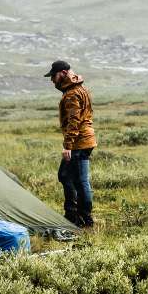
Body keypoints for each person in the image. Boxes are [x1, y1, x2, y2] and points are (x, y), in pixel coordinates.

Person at [45, 60, 97, 227]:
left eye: (53, 75)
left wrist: (68, 146)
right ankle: (74, 215)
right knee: (69, 176)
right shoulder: (78, 89)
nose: (52, 80)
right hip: (83, 140)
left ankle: (82, 218)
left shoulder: (72, 93)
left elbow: (74, 121)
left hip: (78, 143)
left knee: (78, 179)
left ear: (63, 73)